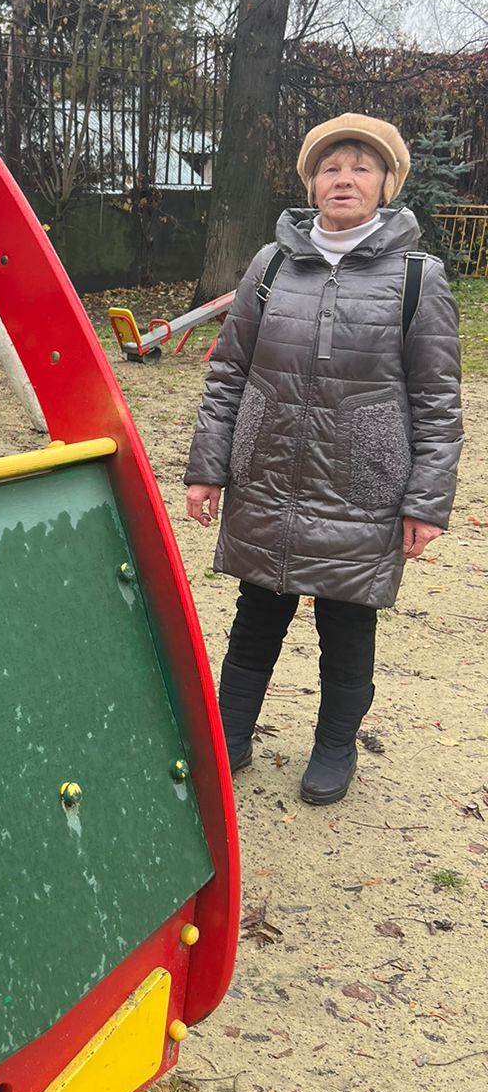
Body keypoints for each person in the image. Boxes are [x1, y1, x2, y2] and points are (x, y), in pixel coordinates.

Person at [184, 114, 463, 805]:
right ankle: (230, 735)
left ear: (385, 184)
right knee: (257, 613)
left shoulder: (417, 278)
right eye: (331, 167)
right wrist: (208, 466)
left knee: (347, 623)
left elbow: (437, 399)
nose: (345, 178)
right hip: (269, 474)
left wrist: (426, 502)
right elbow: (229, 371)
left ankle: (336, 746)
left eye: (362, 167)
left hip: (362, 485)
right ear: (311, 183)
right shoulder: (272, 265)